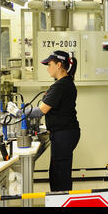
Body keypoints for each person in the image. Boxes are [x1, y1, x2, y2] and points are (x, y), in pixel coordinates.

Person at [17, 50, 80, 192]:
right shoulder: (65, 82)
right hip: (66, 133)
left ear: (59, 65)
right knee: (57, 172)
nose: (47, 68)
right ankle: (60, 199)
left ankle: (62, 201)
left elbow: (40, 111)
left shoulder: (61, 85)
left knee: (60, 175)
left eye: (49, 64)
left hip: (64, 135)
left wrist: (18, 113)